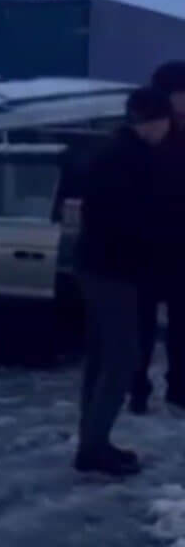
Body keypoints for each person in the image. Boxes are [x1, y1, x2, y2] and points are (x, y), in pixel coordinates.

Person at [74, 86, 171, 476]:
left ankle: (92, 441)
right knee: (121, 358)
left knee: (101, 357)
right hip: (112, 271)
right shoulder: (126, 159)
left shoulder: (118, 152)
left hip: (102, 267)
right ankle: (94, 448)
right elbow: (125, 220)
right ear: (153, 122)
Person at [132, 60, 185, 413]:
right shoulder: (146, 139)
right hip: (147, 247)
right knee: (142, 328)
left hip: (180, 249)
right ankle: (137, 390)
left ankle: (179, 389)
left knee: (182, 326)